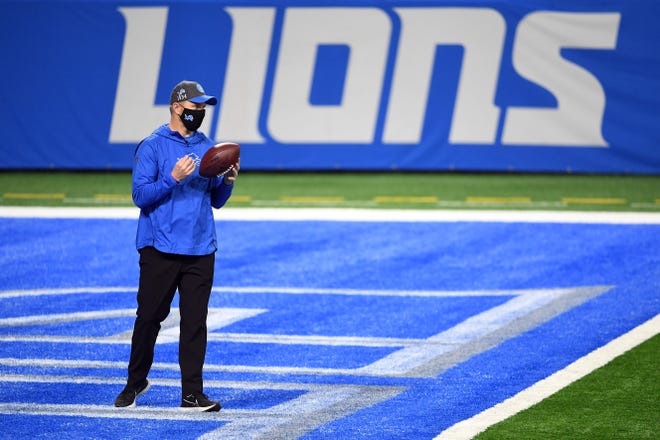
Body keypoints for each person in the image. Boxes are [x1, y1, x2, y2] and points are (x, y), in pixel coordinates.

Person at [114, 80, 239, 412]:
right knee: (150, 318)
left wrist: (227, 182)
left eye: (203, 109)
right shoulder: (153, 146)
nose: (200, 114)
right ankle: (134, 382)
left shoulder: (207, 147)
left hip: (200, 247)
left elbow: (216, 201)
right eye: (195, 108)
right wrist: (172, 178)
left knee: (195, 322)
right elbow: (140, 196)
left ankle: (192, 394)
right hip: (159, 247)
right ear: (176, 107)